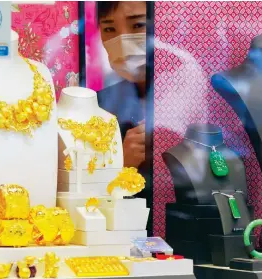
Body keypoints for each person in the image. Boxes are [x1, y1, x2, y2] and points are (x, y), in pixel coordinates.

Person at [96, 1, 152, 235]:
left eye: (138, 24)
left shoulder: (189, 90)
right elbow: (86, 197)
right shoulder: (99, 105)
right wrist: (122, 163)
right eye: (109, 29)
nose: (122, 40)